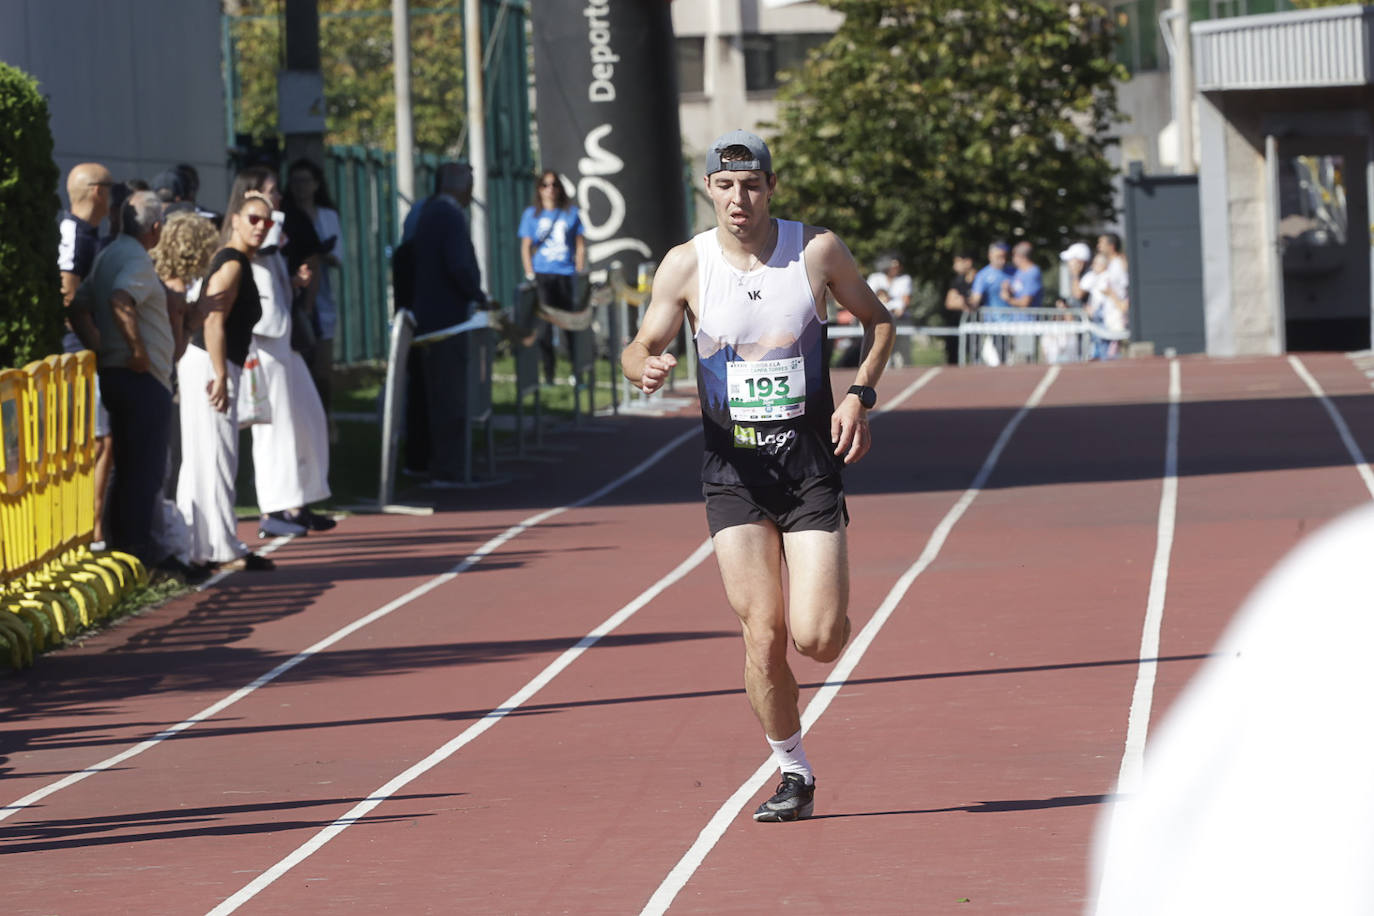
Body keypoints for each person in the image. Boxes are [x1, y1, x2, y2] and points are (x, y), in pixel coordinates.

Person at [621, 130, 895, 822]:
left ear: (771, 187)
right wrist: (644, 367)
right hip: (732, 474)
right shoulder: (686, 265)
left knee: (818, 639)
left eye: (751, 185)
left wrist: (860, 394)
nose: (738, 198)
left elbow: (878, 322)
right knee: (762, 634)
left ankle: (827, 606)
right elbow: (640, 344)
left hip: (807, 469)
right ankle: (792, 769)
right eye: (725, 186)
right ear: (709, 191)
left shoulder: (816, 252)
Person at [68, 191, 175, 569]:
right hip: (141, 379)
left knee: (126, 469)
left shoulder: (108, 253)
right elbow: (119, 298)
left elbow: (79, 306)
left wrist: (100, 348)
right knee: (142, 473)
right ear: (156, 228)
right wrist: (137, 352)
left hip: (117, 374)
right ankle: (135, 559)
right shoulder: (135, 260)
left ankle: (122, 557)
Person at [229, 167, 335, 537]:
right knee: (274, 430)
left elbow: (270, 283)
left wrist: (293, 283)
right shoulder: (252, 233)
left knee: (306, 419)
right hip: (263, 344)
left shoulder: (271, 235)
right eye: (270, 193)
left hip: (282, 340)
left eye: (276, 194)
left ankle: (298, 500)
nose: (277, 200)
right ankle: (274, 509)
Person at [174, 192, 273, 572]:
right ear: (235, 219)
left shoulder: (235, 262)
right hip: (209, 365)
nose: (260, 226)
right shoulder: (231, 263)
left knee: (205, 455)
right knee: (215, 453)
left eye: (266, 221)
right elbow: (211, 319)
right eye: (253, 218)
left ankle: (198, 545)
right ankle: (218, 546)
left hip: (209, 362)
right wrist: (219, 374)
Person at [411, 162, 486, 483]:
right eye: (469, 184)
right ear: (460, 186)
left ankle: (445, 464)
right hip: (447, 321)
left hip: (432, 317)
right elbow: (458, 265)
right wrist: (477, 295)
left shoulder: (428, 212)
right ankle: (450, 467)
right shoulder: (448, 215)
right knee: (449, 395)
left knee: (442, 393)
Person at [57, 162, 115, 547]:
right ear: (97, 192)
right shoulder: (74, 234)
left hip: (84, 352)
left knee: (99, 440)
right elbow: (68, 295)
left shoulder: (86, 232)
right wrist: (96, 342)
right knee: (99, 441)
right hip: (80, 356)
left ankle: (90, 527)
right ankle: (90, 531)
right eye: (111, 189)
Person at [285, 158, 345, 433]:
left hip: (320, 297)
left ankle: (326, 415)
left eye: (306, 181)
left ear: (317, 185)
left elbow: (335, 256)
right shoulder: (286, 216)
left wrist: (320, 252)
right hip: (294, 296)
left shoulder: (327, 215)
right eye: (296, 182)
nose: (301, 188)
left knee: (322, 366)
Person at [518, 170, 586, 385]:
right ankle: (549, 375)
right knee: (545, 328)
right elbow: (526, 246)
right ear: (539, 189)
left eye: (554, 184)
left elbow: (580, 246)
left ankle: (576, 372)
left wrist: (579, 270)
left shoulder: (571, 212)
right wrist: (530, 273)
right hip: (542, 275)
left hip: (565, 274)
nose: (550, 189)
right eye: (545, 185)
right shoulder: (531, 215)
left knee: (570, 324)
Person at [865, 254, 912, 367]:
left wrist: (899, 309)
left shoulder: (905, 279)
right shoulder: (875, 277)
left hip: (899, 319)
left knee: (902, 352)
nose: (894, 268)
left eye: (897, 265)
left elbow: (906, 299)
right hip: (879, 319)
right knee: (881, 350)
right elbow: (869, 296)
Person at [941, 251, 977, 365]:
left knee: (975, 357)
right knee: (953, 358)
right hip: (956, 323)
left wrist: (963, 301)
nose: (954, 266)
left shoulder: (979, 279)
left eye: (957, 262)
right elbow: (949, 303)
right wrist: (964, 303)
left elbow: (976, 302)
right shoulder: (957, 280)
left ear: (968, 262)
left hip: (974, 326)